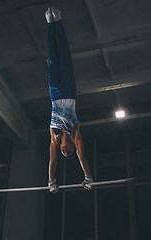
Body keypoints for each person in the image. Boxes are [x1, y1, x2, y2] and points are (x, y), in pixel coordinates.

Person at [45, 7, 93, 194]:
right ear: (74, 147)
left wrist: (51, 181)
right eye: (69, 152)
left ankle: (49, 24)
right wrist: (88, 178)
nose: (65, 152)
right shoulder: (75, 134)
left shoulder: (55, 138)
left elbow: (52, 161)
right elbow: (82, 158)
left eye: (65, 154)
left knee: (52, 59)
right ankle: (58, 21)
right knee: (64, 57)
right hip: (69, 91)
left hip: (54, 94)